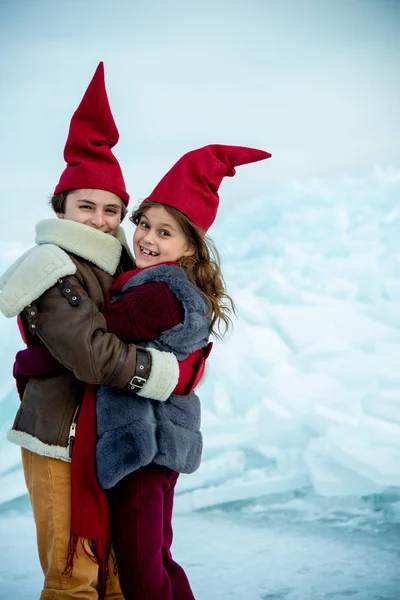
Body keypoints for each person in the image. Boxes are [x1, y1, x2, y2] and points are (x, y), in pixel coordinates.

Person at [0, 62, 181, 600]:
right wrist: (164, 372)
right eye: (87, 206)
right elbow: (91, 355)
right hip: (61, 437)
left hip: (105, 438)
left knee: (119, 574)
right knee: (73, 575)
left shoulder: (116, 267)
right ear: (62, 207)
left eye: (112, 210)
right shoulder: (52, 265)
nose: (100, 220)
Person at [90, 144, 272, 599]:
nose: (147, 238)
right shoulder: (172, 284)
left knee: (139, 567)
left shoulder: (157, 292)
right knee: (157, 556)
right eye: (145, 225)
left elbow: (93, 334)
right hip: (160, 444)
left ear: (190, 245)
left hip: (142, 445)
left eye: (164, 232)